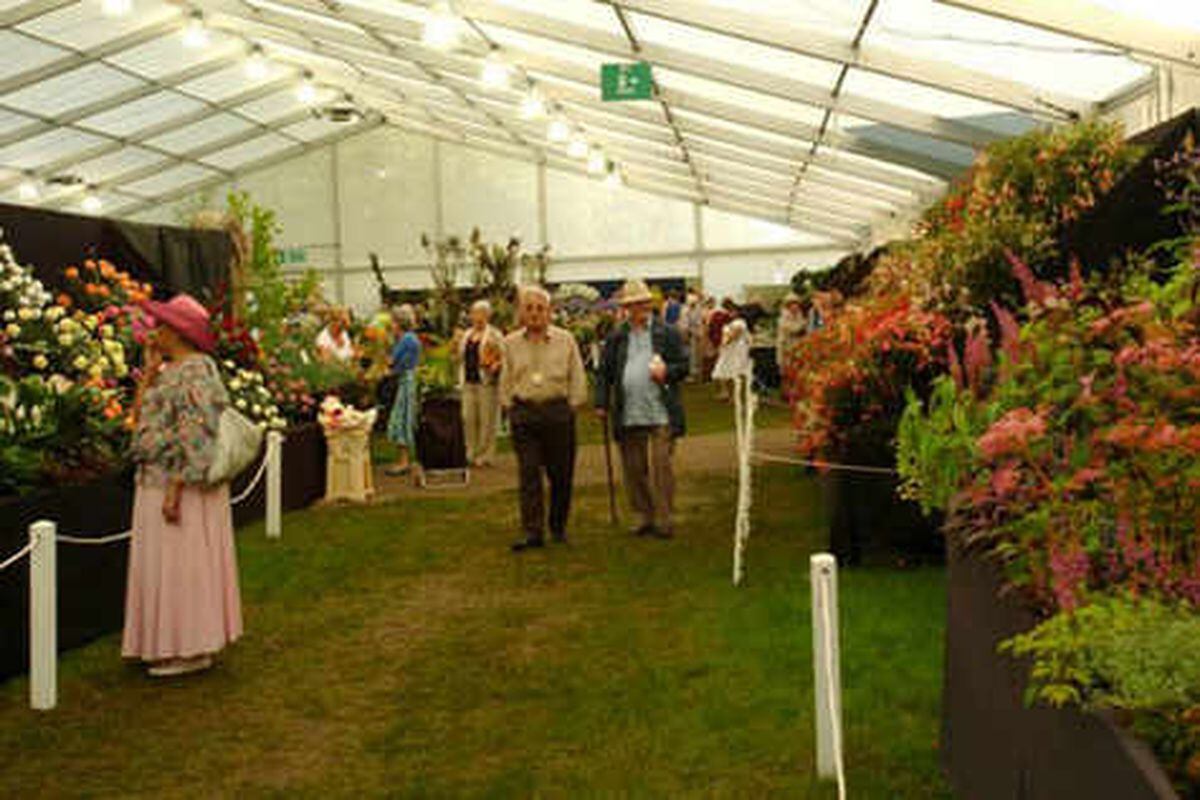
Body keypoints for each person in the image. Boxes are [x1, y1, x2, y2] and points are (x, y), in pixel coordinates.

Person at [124, 293, 242, 678]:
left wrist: (176, 487)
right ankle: (172, 643)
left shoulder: (195, 371)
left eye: (161, 325)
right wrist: (149, 376)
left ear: (177, 331)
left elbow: (196, 433)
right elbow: (140, 420)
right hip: (156, 478)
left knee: (180, 565)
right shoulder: (171, 369)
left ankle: (188, 646)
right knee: (166, 564)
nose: (154, 331)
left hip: (176, 484)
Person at [594, 279, 689, 539]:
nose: (640, 307)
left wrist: (667, 371)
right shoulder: (616, 337)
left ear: (649, 303)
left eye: (644, 302)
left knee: (661, 467)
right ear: (626, 307)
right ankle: (644, 515)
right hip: (629, 410)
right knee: (634, 469)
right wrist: (601, 402)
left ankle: (665, 517)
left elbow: (684, 366)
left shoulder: (666, 333)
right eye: (634, 304)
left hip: (660, 409)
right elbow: (604, 373)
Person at [500, 286, 589, 552]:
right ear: (521, 313)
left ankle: (558, 527)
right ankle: (532, 532)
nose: (535, 313)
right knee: (528, 474)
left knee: (561, 475)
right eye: (529, 308)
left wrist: (572, 405)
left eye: (540, 308)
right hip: (525, 413)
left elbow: (577, 375)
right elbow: (504, 379)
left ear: (549, 312)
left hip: (557, 412)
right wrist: (509, 406)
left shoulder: (566, 340)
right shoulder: (510, 343)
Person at [458, 299, 505, 467]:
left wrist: (495, 365)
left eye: (480, 313)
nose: (476, 317)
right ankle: (470, 452)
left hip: (487, 383)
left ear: (487, 315)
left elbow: (504, 357)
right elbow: (460, 356)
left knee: (487, 420)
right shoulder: (466, 334)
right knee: (467, 417)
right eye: (474, 313)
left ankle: (485, 455)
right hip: (468, 382)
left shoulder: (495, 334)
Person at [386, 304, 422, 476]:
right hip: (408, 381)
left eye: (393, 322)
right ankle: (404, 460)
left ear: (399, 323)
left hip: (405, 382)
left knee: (402, 419)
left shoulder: (406, 339)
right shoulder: (410, 338)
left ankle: (404, 462)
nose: (391, 326)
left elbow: (392, 362)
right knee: (403, 418)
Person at [712, 313, 752, 399]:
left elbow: (735, 335)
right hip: (732, 350)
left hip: (734, 350)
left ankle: (730, 393)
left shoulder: (738, 323)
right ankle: (727, 392)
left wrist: (726, 342)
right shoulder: (734, 324)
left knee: (728, 370)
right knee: (725, 370)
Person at [776, 292, 808, 398]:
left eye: (797, 304)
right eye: (792, 304)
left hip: (797, 346)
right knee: (786, 371)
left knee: (797, 370)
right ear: (788, 306)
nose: (795, 306)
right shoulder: (783, 318)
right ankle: (785, 393)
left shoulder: (799, 315)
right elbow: (794, 330)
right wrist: (804, 324)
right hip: (786, 347)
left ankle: (795, 392)